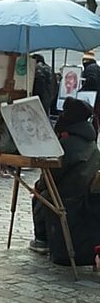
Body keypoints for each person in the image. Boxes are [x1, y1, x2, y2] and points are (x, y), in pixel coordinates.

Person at [30, 97, 100, 256]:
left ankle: (42, 240)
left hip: (69, 196)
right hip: (86, 193)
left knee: (41, 196)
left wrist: (39, 187)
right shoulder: (90, 141)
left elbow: (51, 176)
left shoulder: (67, 145)